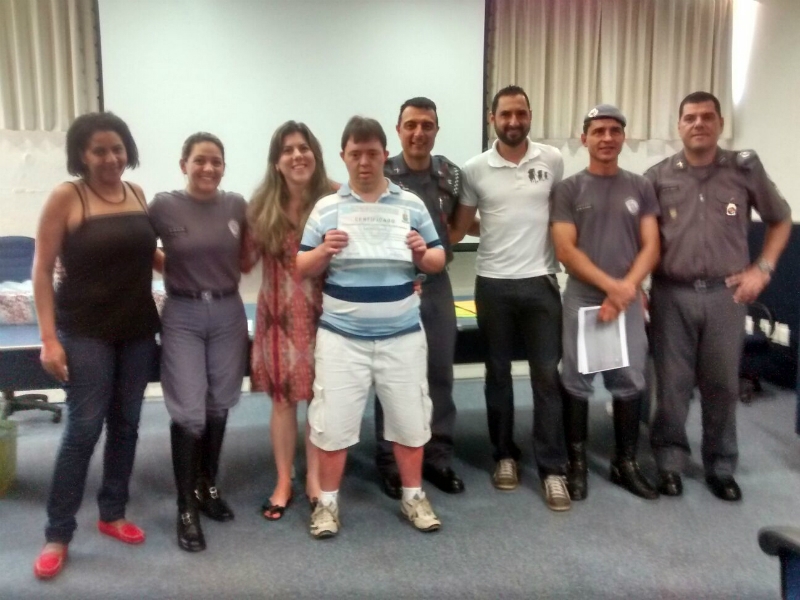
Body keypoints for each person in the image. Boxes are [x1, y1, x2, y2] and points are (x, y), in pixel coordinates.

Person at [297, 116, 446, 538]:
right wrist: (324, 251)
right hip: (341, 339)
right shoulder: (327, 208)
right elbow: (301, 266)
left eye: (372, 153)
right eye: (355, 154)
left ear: (385, 154)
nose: (364, 162)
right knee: (332, 424)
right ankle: (327, 505)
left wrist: (421, 252)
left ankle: (413, 496)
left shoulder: (410, 204)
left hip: (403, 335)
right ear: (343, 156)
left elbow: (437, 259)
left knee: (410, 421)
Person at [31, 112, 160, 579]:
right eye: (99, 150)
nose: (110, 158)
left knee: (126, 425)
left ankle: (112, 513)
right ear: (82, 155)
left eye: (117, 148)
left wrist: (200, 265)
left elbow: (147, 254)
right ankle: (58, 533)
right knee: (83, 430)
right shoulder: (68, 197)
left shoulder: (137, 193)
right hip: (85, 331)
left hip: (137, 329)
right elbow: (41, 269)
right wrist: (49, 339)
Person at [646, 91, 791, 501]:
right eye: (690, 117)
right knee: (671, 386)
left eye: (707, 117)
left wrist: (762, 270)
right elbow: (640, 238)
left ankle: (721, 465)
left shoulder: (744, 170)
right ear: (678, 126)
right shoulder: (657, 176)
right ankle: (669, 462)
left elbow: (780, 219)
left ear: (720, 124)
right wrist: (637, 287)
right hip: (671, 293)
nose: (698, 124)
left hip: (725, 295)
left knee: (722, 385)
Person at [450, 85, 570, 511]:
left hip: (541, 283)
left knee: (547, 377)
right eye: (505, 114)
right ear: (492, 119)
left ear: (530, 115)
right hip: (493, 285)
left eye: (520, 113)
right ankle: (504, 455)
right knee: (497, 374)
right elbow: (462, 226)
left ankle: (552, 469)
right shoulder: (474, 169)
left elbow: (560, 218)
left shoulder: (552, 160)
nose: (514, 121)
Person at [550, 105, 660, 501]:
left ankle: (624, 463)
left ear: (623, 137)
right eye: (598, 131)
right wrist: (613, 288)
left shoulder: (640, 186)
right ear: (584, 138)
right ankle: (576, 464)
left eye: (614, 130)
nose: (607, 137)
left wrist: (625, 289)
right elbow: (565, 250)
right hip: (583, 297)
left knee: (629, 379)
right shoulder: (569, 189)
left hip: (627, 297)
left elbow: (652, 245)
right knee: (576, 380)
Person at [149, 133, 249, 551]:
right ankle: (185, 506)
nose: (208, 168)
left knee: (219, 403)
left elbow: (249, 254)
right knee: (189, 410)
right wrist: (173, 269)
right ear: (184, 165)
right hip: (183, 313)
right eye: (200, 160)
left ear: (224, 166)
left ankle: (207, 486)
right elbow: (139, 246)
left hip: (228, 310)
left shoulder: (236, 205)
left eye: (216, 161)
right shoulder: (163, 205)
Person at [375, 97, 465, 499]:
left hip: (437, 284)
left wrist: (435, 255)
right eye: (410, 125)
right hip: (393, 286)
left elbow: (456, 227)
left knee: (439, 372)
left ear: (436, 130)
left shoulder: (451, 175)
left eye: (427, 125)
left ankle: (438, 455)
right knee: (392, 375)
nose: (418, 133)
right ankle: (389, 460)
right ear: (398, 130)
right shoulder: (381, 173)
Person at [246, 121, 334, 519]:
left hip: (325, 315)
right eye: (287, 150)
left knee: (319, 400)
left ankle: (314, 479)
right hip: (279, 319)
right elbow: (243, 261)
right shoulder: (261, 206)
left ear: (314, 154)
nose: (297, 155)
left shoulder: (335, 199)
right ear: (276, 162)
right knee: (282, 403)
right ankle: (284, 480)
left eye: (303, 147)